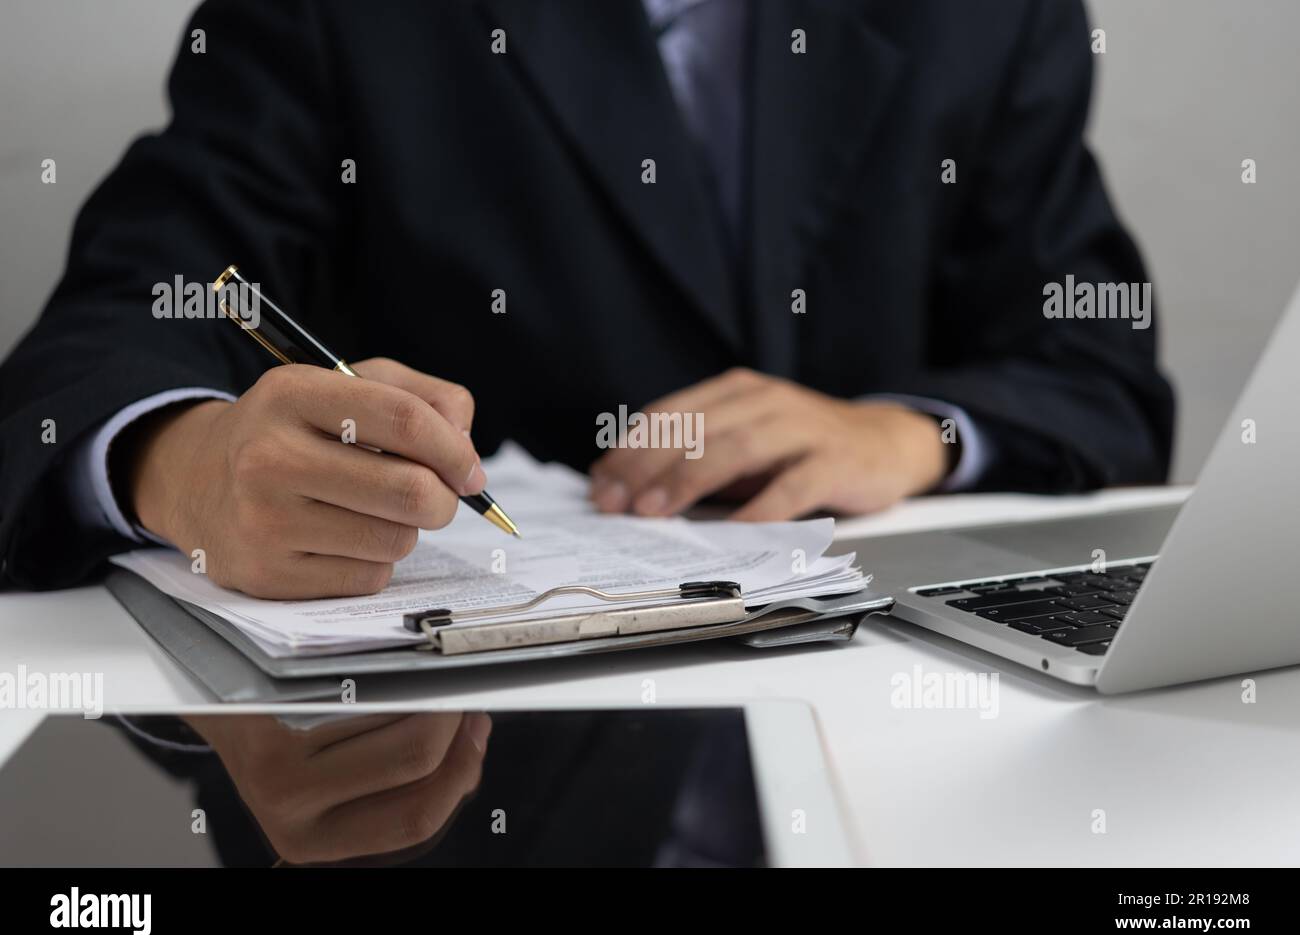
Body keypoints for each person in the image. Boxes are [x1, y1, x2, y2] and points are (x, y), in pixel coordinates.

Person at [0, 0, 1174, 596]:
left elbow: (1097, 365)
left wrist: (910, 430)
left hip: (884, 723)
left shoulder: (986, 16)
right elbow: (120, 319)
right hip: (462, 754)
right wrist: (184, 463)